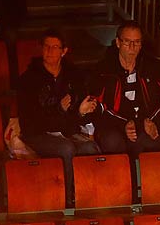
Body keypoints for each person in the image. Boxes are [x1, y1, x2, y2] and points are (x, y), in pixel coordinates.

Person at [91, 22, 160, 154]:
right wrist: (123, 124)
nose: (132, 47)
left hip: (144, 126)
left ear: (141, 44)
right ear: (118, 43)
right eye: (127, 42)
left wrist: (154, 123)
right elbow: (96, 107)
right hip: (114, 127)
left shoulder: (152, 66)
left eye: (136, 42)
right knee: (112, 142)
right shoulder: (104, 70)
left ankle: (153, 174)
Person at [16, 29, 98, 169]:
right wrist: (58, 110)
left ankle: (86, 189)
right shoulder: (29, 79)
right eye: (46, 46)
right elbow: (30, 121)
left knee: (89, 147)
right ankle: (67, 190)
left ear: (63, 51)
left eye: (55, 47)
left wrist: (81, 112)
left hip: (67, 130)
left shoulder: (74, 75)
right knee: (66, 148)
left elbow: (79, 113)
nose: (49, 50)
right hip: (38, 133)